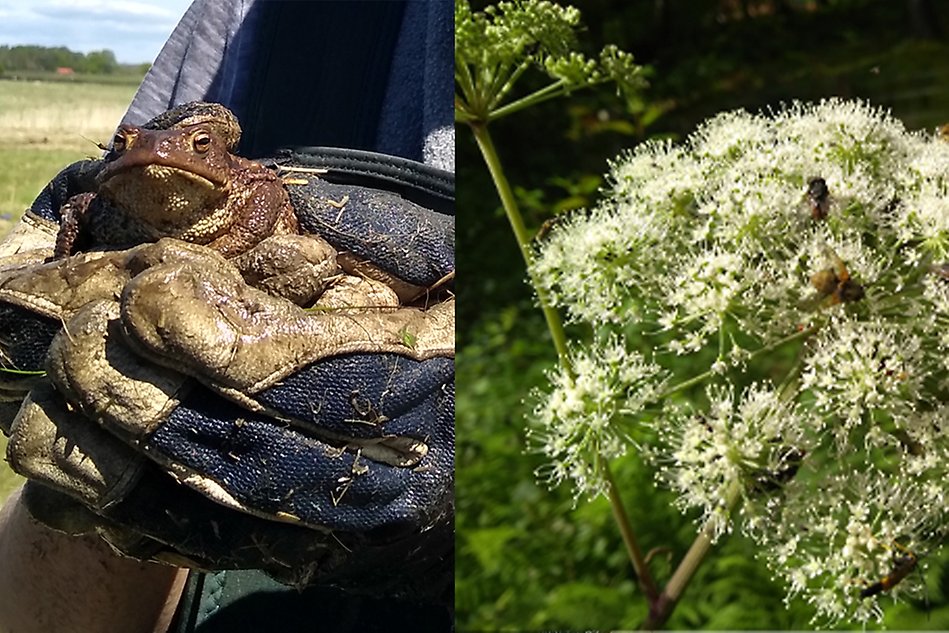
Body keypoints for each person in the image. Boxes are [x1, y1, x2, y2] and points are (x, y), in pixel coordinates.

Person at [0, 2, 453, 632]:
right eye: (129, 147)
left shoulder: (258, 198)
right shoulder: (244, 14)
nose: (152, 150)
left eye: (198, 144)